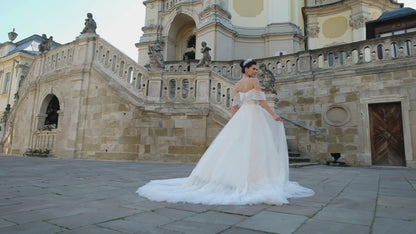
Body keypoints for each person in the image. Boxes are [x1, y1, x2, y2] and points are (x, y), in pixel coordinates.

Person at [136, 59, 314, 205]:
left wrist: (233, 122)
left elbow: (234, 106)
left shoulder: (237, 85)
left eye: (256, 69)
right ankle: (254, 179)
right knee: (255, 147)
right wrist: (274, 115)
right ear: (246, 69)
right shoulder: (253, 82)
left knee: (241, 147)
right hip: (253, 115)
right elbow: (262, 102)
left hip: (243, 116)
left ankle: (241, 178)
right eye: (253, 69)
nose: (256, 72)